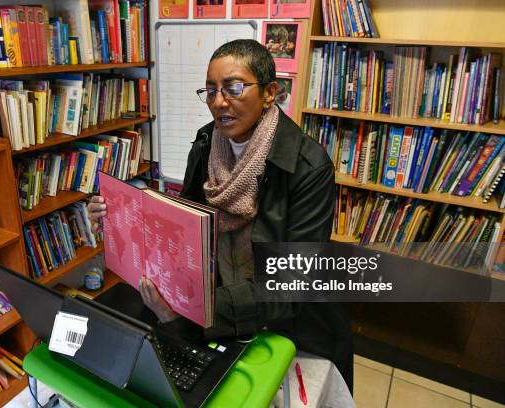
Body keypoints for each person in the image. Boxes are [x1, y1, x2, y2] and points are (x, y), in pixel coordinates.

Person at [88, 39, 353, 391]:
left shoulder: (308, 167)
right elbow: (181, 230)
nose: (218, 102)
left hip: (283, 322)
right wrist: (117, 223)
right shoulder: (205, 144)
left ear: (270, 93)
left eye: (234, 88)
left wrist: (195, 312)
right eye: (210, 90)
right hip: (212, 304)